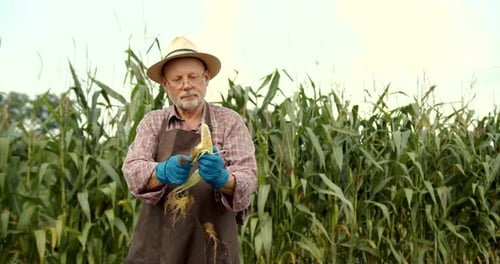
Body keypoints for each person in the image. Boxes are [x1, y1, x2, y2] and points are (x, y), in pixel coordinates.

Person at [122, 36, 258, 263]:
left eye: (193, 77)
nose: (186, 85)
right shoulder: (153, 123)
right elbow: (133, 173)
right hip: (159, 249)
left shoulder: (230, 122)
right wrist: (161, 172)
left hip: (212, 246)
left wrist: (224, 179)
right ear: (165, 85)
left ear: (206, 78)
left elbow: (248, 178)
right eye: (177, 79)